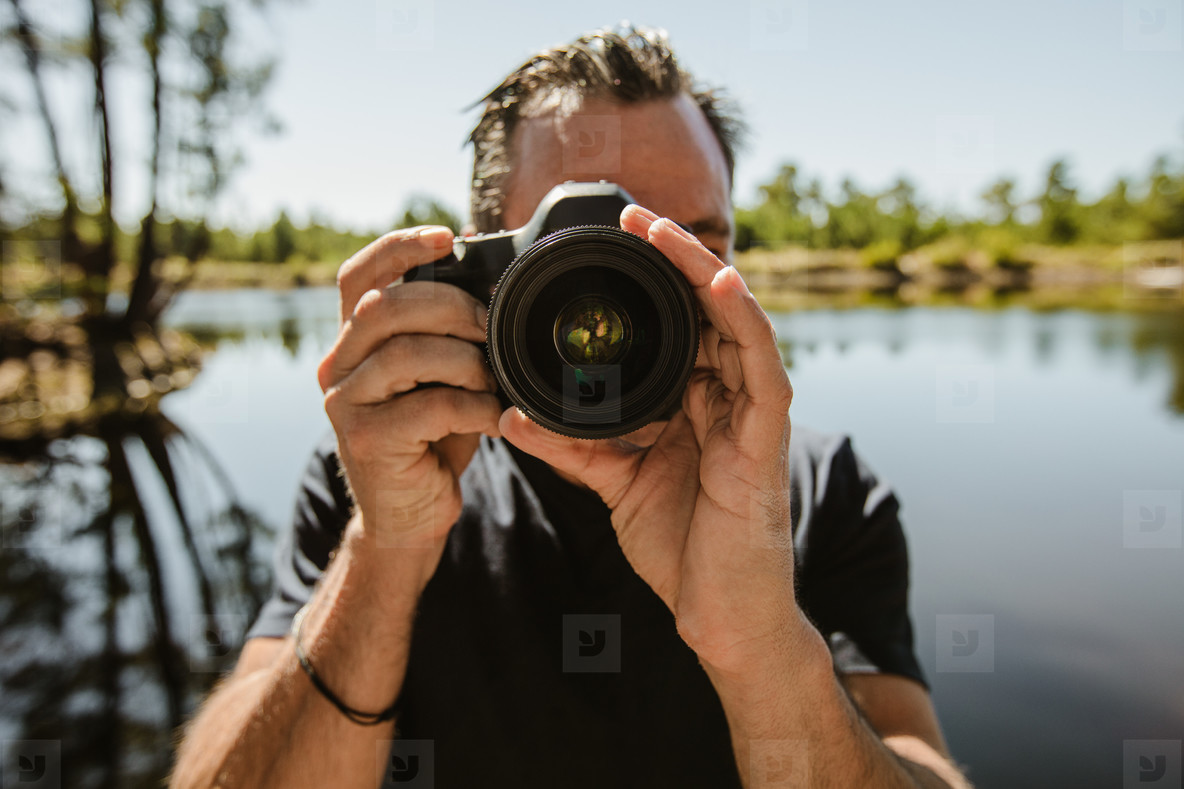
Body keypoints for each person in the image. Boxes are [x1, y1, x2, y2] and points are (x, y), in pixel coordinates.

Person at [172, 25, 972, 789]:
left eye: (690, 246)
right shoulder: (380, 474)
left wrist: (762, 645)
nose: (641, 296)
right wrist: (387, 550)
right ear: (484, 275)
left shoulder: (819, 487)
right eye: (589, 250)